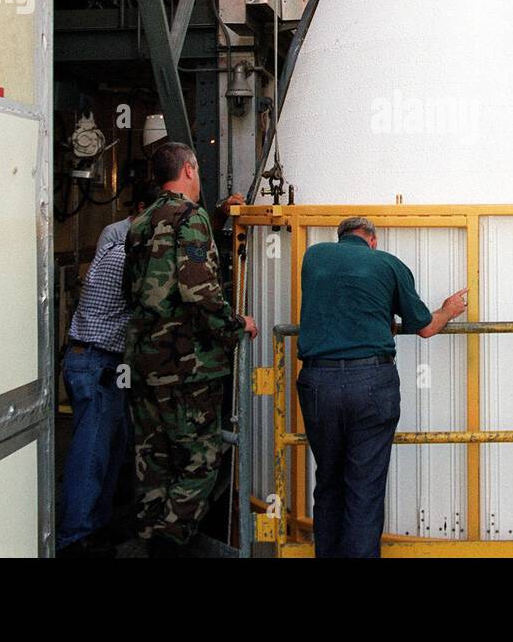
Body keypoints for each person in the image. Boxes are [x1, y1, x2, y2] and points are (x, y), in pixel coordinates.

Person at [297, 216, 468, 558]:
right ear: (372, 240)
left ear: (341, 237)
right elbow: (425, 328)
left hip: (318, 384)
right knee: (364, 488)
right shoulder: (388, 264)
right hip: (371, 383)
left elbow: (338, 303)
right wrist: (448, 310)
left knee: (328, 482)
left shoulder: (313, 256)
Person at [123, 142, 256, 557]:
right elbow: (198, 290)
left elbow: (133, 289)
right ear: (189, 170)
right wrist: (237, 325)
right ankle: (169, 539)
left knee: (152, 455)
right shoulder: (190, 218)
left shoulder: (140, 222)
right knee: (202, 457)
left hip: (146, 362)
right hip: (188, 365)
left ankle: (147, 538)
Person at [57, 181, 159, 557]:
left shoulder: (117, 247)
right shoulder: (126, 257)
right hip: (96, 360)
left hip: (103, 361)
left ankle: (95, 528)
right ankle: (75, 538)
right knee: (92, 452)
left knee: (109, 448)